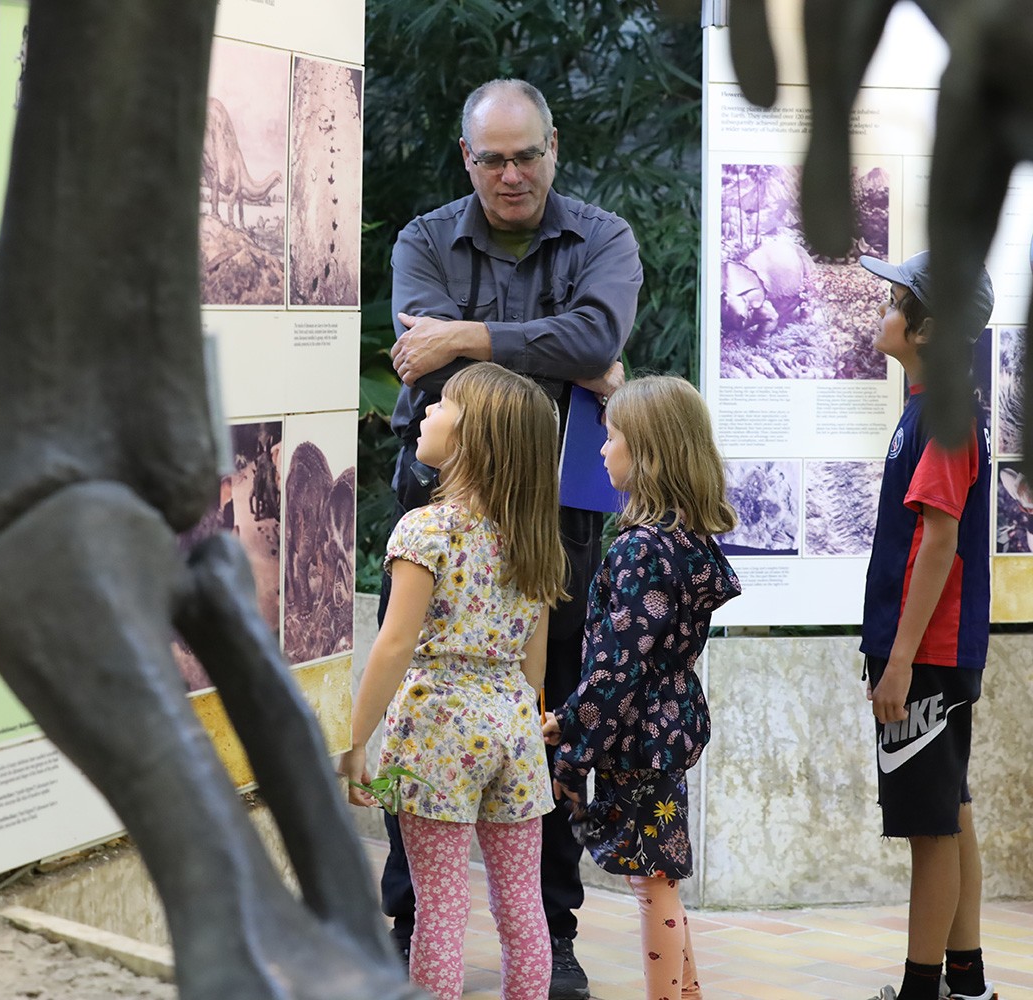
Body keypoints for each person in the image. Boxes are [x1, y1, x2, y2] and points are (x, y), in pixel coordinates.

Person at [380, 76, 644, 999]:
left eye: (526, 154)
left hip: (561, 529)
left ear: (554, 148)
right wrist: (544, 347)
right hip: (442, 517)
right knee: (423, 715)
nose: (510, 174)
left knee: (549, 723)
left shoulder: (603, 238)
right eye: (491, 158)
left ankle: (553, 933)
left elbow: (598, 336)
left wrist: (470, 337)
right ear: (468, 160)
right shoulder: (424, 240)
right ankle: (413, 924)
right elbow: (434, 354)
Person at [340, 362, 569, 1000]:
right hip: (515, 732)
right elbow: (535, 663)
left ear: (474, 440)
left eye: (441, 405)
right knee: (522, 904)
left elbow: (394, 645)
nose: (425, 414)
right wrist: (525, 717)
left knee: (439, 907)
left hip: (436, 731)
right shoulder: (535, 538)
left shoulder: (425, 529)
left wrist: (355, 741)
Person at [543, 375, 741, 1000]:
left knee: (650, 878)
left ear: (648, 452)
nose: (601, 452)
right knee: (661, 874)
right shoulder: (688, 540)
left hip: (636, 736)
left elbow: (615, 664)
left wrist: (570, 729)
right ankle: (685, 992)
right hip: (669, 727)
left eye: (612, 439)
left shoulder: (638, 551)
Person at [857, 251, 997, 1000]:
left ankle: (921, 990)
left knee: (930, 831)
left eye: (896, 299)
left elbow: (938, 541)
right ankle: (966, 982)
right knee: (951, 810)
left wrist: (900, 659)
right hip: (933, 651)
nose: (883, 308)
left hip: (927, 656)